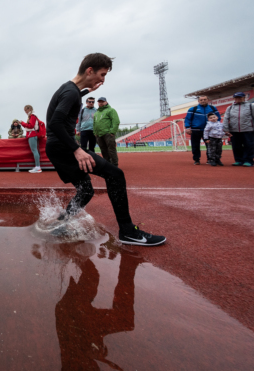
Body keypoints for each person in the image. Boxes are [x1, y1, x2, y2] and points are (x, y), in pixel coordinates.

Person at [44, 53, 166, 246]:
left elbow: (63, 109)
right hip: (63, 147)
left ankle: (61, 222)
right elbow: (56, 122)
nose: (103, 79)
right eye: (102, 74)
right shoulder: (70, 92)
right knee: (115, 175)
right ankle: (127, 231)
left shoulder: (70, 89)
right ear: (89, 70)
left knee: (86, 191)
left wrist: (86, 90)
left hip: (57, 147)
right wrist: (77, 149)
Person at [223, 92, 254, 167]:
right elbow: (226, 119)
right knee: (236, 146)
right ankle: (238, 160)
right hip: (234, 130)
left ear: (244, 98)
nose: (238, 99)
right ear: (234, 98)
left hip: (248, 129)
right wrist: (226, 130)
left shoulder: (251, 106)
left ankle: (248, 160)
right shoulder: (230, 107)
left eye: (240, 97)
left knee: (249, 146)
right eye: (236, 97)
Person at [184, 96, 220, 165]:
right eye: (201, 100)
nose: (203, 101)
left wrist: (215, 126)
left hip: (209, 131)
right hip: (195, 130)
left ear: (208, 100)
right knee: (195, 146)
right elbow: (188, 119)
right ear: (198, 101)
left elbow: (218, 118)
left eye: (204, 99)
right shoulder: (193, 109)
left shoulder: (213, 108)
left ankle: (210, 159)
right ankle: (196, 159)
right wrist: (187, 127)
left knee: (210, 146)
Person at [93, 97, 120, 166]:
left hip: (108, 134)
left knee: (111, 149)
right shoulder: (96, 113)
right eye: (99, 102)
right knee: (103, 150)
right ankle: (107, 163)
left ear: (106, 102)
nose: (101, 103)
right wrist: (95, 133)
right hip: (99, 134)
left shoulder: (111, 110)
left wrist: (112, 132)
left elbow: (116, 121)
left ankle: (114, 164)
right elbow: (94, 123)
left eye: (102, 101)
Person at [20, 105, 43, 173]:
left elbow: (30, 126)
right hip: (33, 134)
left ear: (29, 109)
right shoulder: (32, 115)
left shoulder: (32, 115)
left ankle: (38, 167)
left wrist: (22, 123)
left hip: (32, 134)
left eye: (26, 110)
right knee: (35, 150)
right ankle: (37, 166)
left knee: (34, 150)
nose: (25, 112)